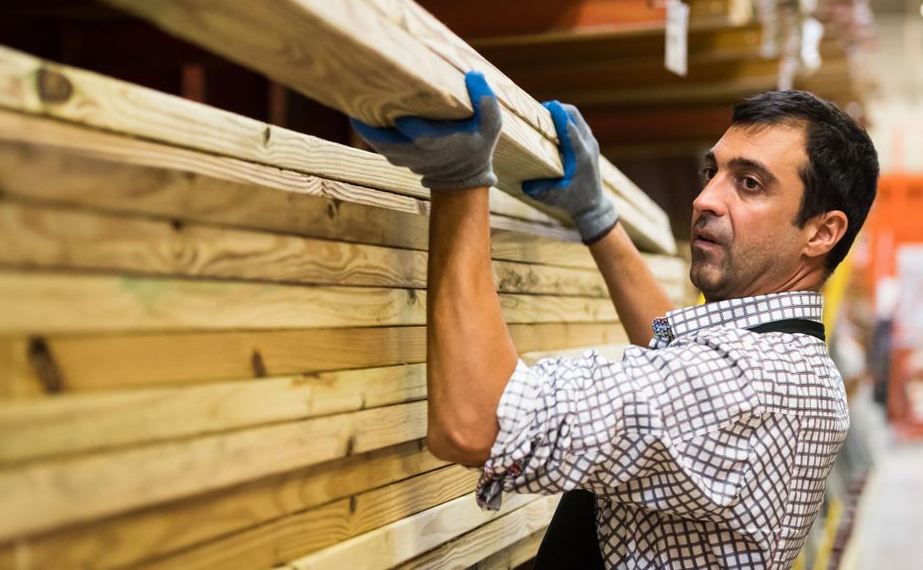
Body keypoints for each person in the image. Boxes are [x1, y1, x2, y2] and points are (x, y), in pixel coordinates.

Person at [351, 71, 879, 569]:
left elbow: (475, 423)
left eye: (749, 184)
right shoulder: (792, 362)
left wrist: (459, 180)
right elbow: (679, 356)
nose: (704, 199)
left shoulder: (744, 384)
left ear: (821, 232)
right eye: (711, 172)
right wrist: (598, 219)